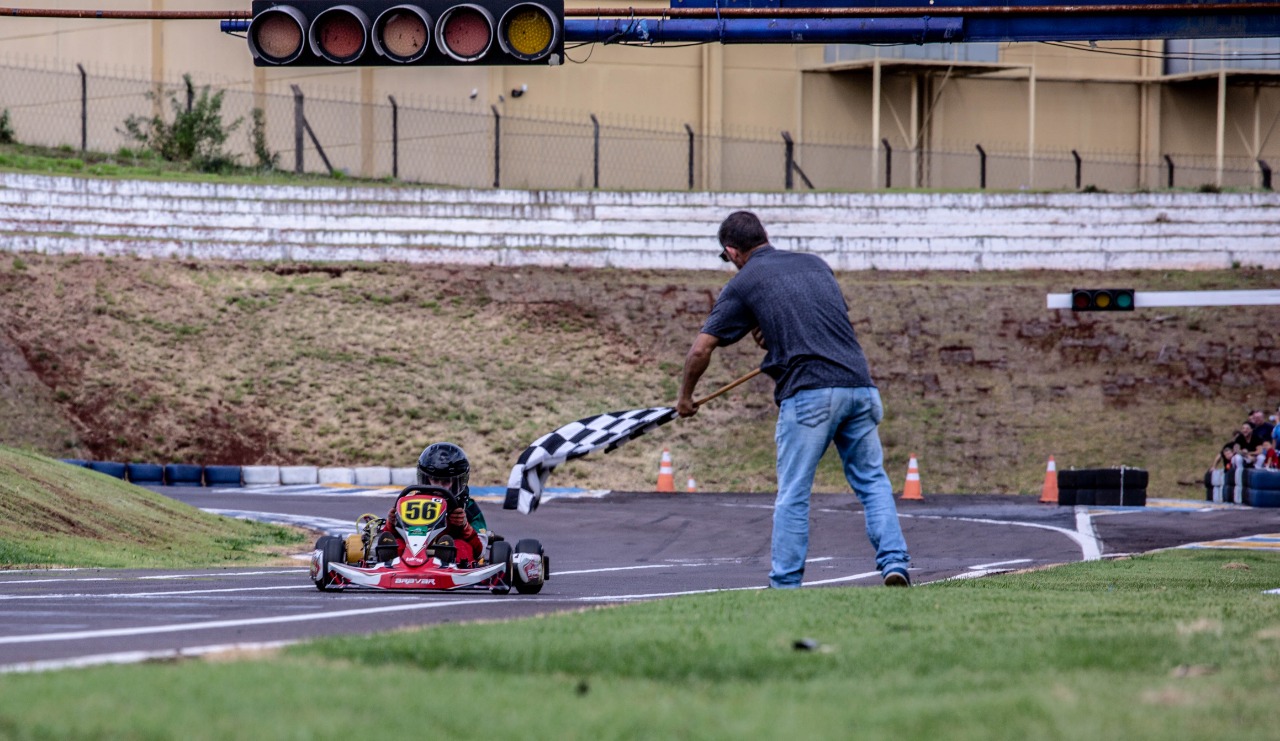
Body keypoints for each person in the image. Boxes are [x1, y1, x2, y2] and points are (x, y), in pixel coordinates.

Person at [676, 210, 911, 588]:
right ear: (763, 236)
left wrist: (684, 398)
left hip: (810, 394)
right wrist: (776, 340)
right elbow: (820, 322)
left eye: (726, 258)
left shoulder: (745, 281)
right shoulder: (815, 265)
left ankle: (785, 584)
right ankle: (895, 562)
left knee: (794, 493)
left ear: (732, 251)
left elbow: (701, 350)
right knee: (873, 483)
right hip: (860, 385)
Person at [382, 442, 487, 564]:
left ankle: (444, 560)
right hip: (411, 550)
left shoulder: (468, 507)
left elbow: (481, 551)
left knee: (460, 547)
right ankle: (387, 562)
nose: (439, 487)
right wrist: (392, 522)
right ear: (426, 478)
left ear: (458, 481)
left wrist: (464, 526)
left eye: (446, 482)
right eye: (435, 480)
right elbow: (389, 534)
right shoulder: (412, 502)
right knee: (396, 544)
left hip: (449, 549)